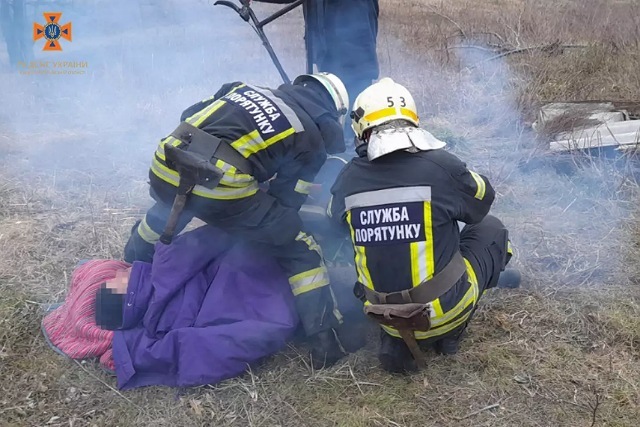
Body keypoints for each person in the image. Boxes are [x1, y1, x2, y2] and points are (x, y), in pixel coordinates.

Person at [124, 72, 351, 369]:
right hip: (220, 184)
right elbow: (286, 203)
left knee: (171, 206)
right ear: (333, 112)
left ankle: (131, 261)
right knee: (298, 244)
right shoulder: (310, 137)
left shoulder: (243, 88)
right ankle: (325, 340)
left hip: (166, 160)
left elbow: (190, 114)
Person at [328, 77, 521, 373]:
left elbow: (336, 223)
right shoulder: (441, 166)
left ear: (361, 130)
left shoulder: (347, 179)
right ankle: (451, 332)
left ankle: (398, 339)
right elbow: (483, 199)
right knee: (491, 229)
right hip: (445, 311)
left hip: (384, 316)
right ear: (413, 122)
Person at [252, 0, 380, 141]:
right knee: (332, 111)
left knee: (353, 119)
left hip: (354, 47)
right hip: (327, 47)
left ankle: (353, 146)